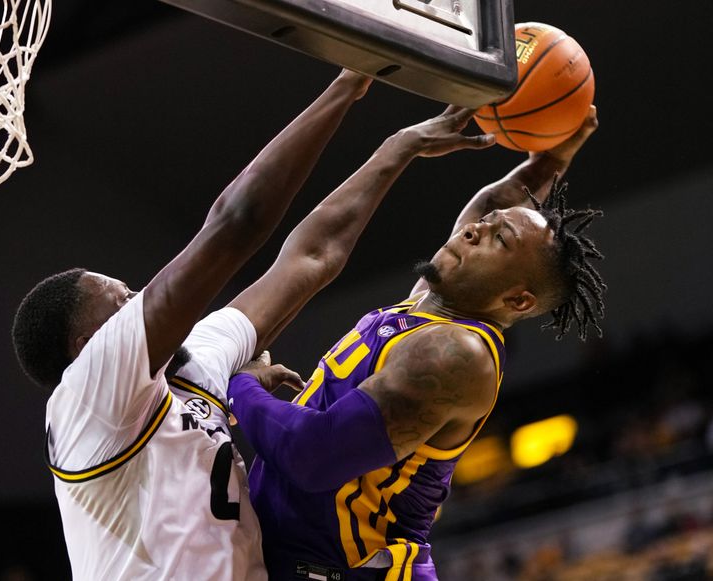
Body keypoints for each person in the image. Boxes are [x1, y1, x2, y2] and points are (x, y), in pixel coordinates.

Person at [11, 67, 496, 581]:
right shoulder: (87, 400)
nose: (138, 300)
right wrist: (346, 84)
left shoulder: (192, 363)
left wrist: (397, 149)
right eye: (122, 300)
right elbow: (235, 222)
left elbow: (311, 258)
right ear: (89, 347)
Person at [226, 108, 604, 580]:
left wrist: (237, 385)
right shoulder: (433, 301)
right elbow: (496, 199)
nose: (474, 229)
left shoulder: (453, 355)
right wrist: (551, 154)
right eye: (484, 223)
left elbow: (313, 457)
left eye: (497, 238)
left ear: (518, 299)